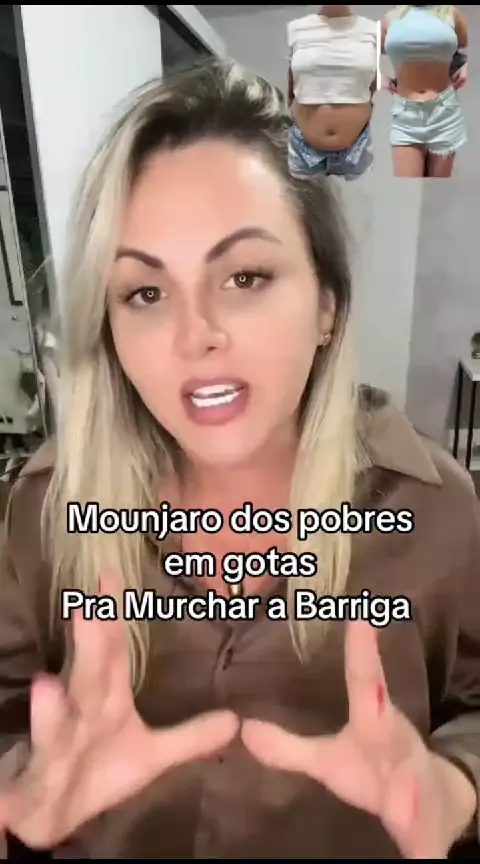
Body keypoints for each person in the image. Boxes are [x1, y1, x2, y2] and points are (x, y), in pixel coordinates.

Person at [0, 59, 480, 860]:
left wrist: (455, 784)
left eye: (245, 277)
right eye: (145, 293)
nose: (197, 337)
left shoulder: (436, 508)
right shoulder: (49, 505)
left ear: (327, 304)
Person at [287, 5, 377, 179]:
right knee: (303, 196)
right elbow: (292, 82)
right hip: (303, 147)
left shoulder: (372, 30)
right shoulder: (297, 28)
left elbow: (372, 83)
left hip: (356, 148)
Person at [382, 5, 468, 178]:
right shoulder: (391, 17)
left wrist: (468, 66)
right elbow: (365, 49)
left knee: (439, 190)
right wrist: (378, 76)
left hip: (444, 112)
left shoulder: (451, 13)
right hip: (405, 116)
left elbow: (468, 44)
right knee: (407, 188)